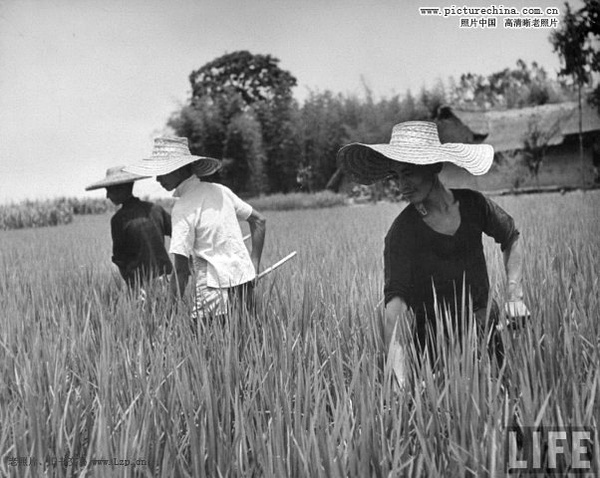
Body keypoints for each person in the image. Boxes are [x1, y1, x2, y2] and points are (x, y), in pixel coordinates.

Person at [337, 121, 529, 374]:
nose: (402, 186)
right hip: (436, 349)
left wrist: (515, 297)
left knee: (498, 390)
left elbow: (511, 236)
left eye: (408, 172)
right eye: (396, 176)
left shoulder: (474, 205)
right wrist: (400, 384)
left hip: (485, 332)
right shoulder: (402, 233)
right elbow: (394, 314)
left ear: (434, 166)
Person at [124, 136, 266, 322]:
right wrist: (253, 265)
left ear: (179, 169)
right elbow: (259, 221)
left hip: (213, 295)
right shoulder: (220, 190)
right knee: (246, 336)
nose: (158, 179)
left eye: (162, 172)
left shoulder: (183, 207)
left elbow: (181, 271)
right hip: (244, 284)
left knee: (207, 340)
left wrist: (168, 316)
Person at [85, 166, 173, 289]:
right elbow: (179, 232)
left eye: (109, 190)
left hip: (141, 284)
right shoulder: (155, 209)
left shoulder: (119, 219)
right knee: (170, 302)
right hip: (167, 278)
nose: (107, 196)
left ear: (122, 189)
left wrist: (133, 286)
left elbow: (120, 259)